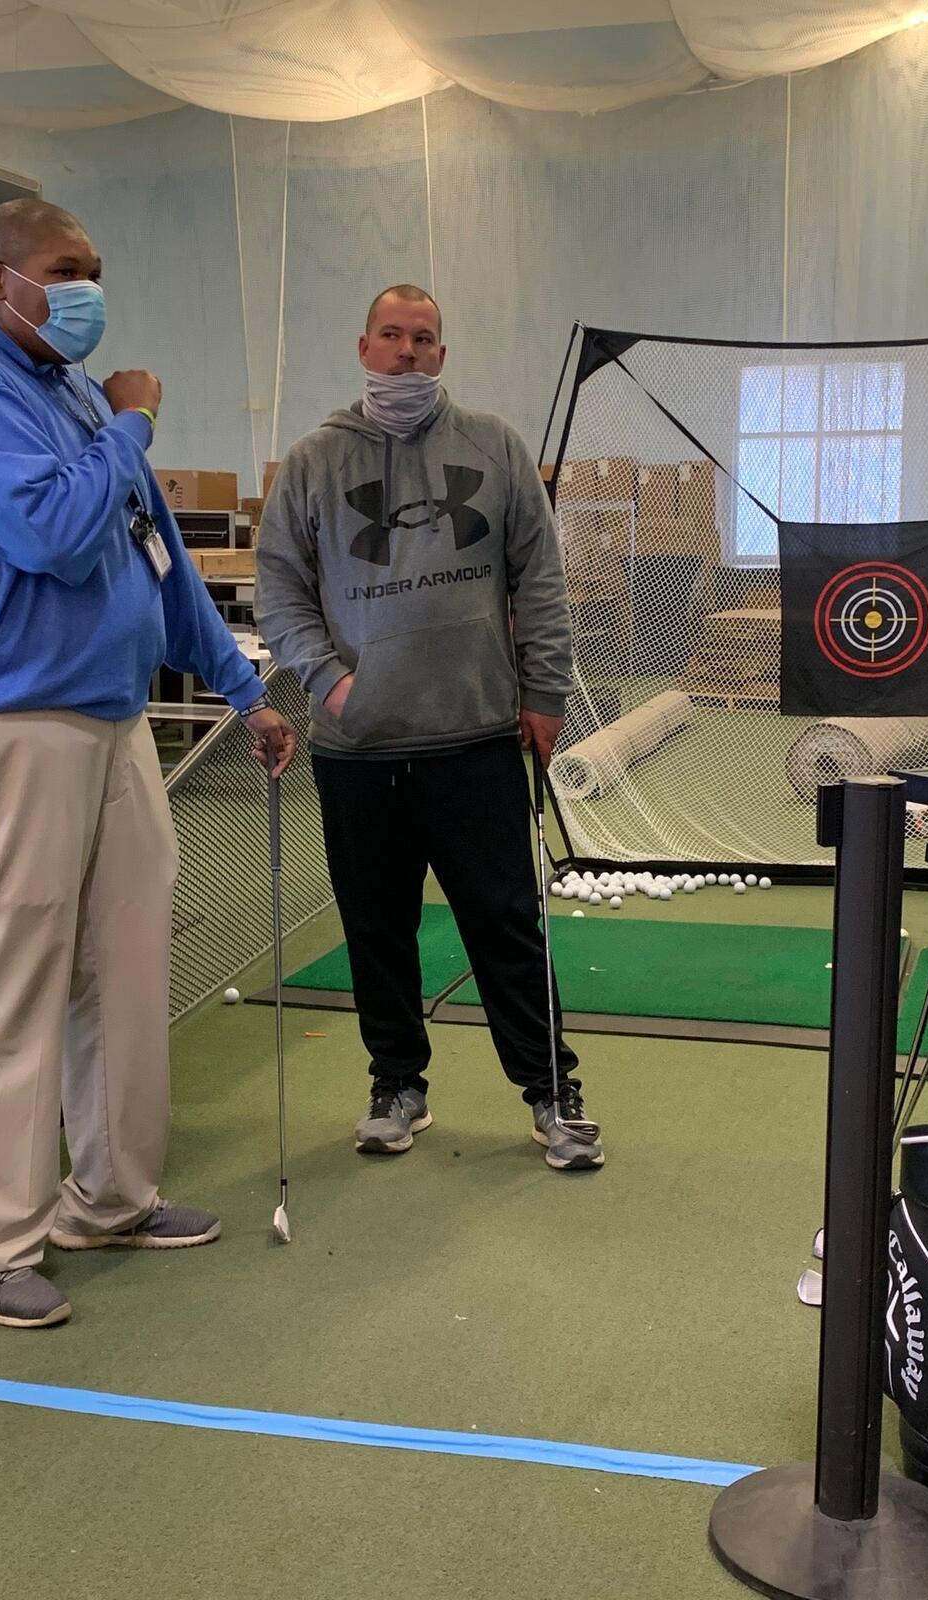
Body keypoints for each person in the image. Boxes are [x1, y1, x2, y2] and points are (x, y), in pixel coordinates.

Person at [0, 198, 297, 1329]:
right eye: (64, 269)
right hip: (1, 722)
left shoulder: (76, 394)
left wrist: (243, 687)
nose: (86, 290)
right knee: (10, 982)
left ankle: (110, 1198)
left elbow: (154, 555)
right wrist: (131, 426)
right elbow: (53, 534)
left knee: (123, 968)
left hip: (108, 722)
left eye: (94, 269)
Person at [256, 284, 602, 1171]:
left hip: (473, 739)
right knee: (376, 928)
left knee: (506, 924)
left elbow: (541, 579)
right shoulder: (313, 461)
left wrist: (546, 693)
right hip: (358, 750)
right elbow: (280, 590)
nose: (407, 352)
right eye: (392, 335)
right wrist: (331, 685)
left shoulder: (493, 446)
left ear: (442, 354)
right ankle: (397, 1085)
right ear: (364, 347)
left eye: (423, 338)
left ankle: (550, 1092)